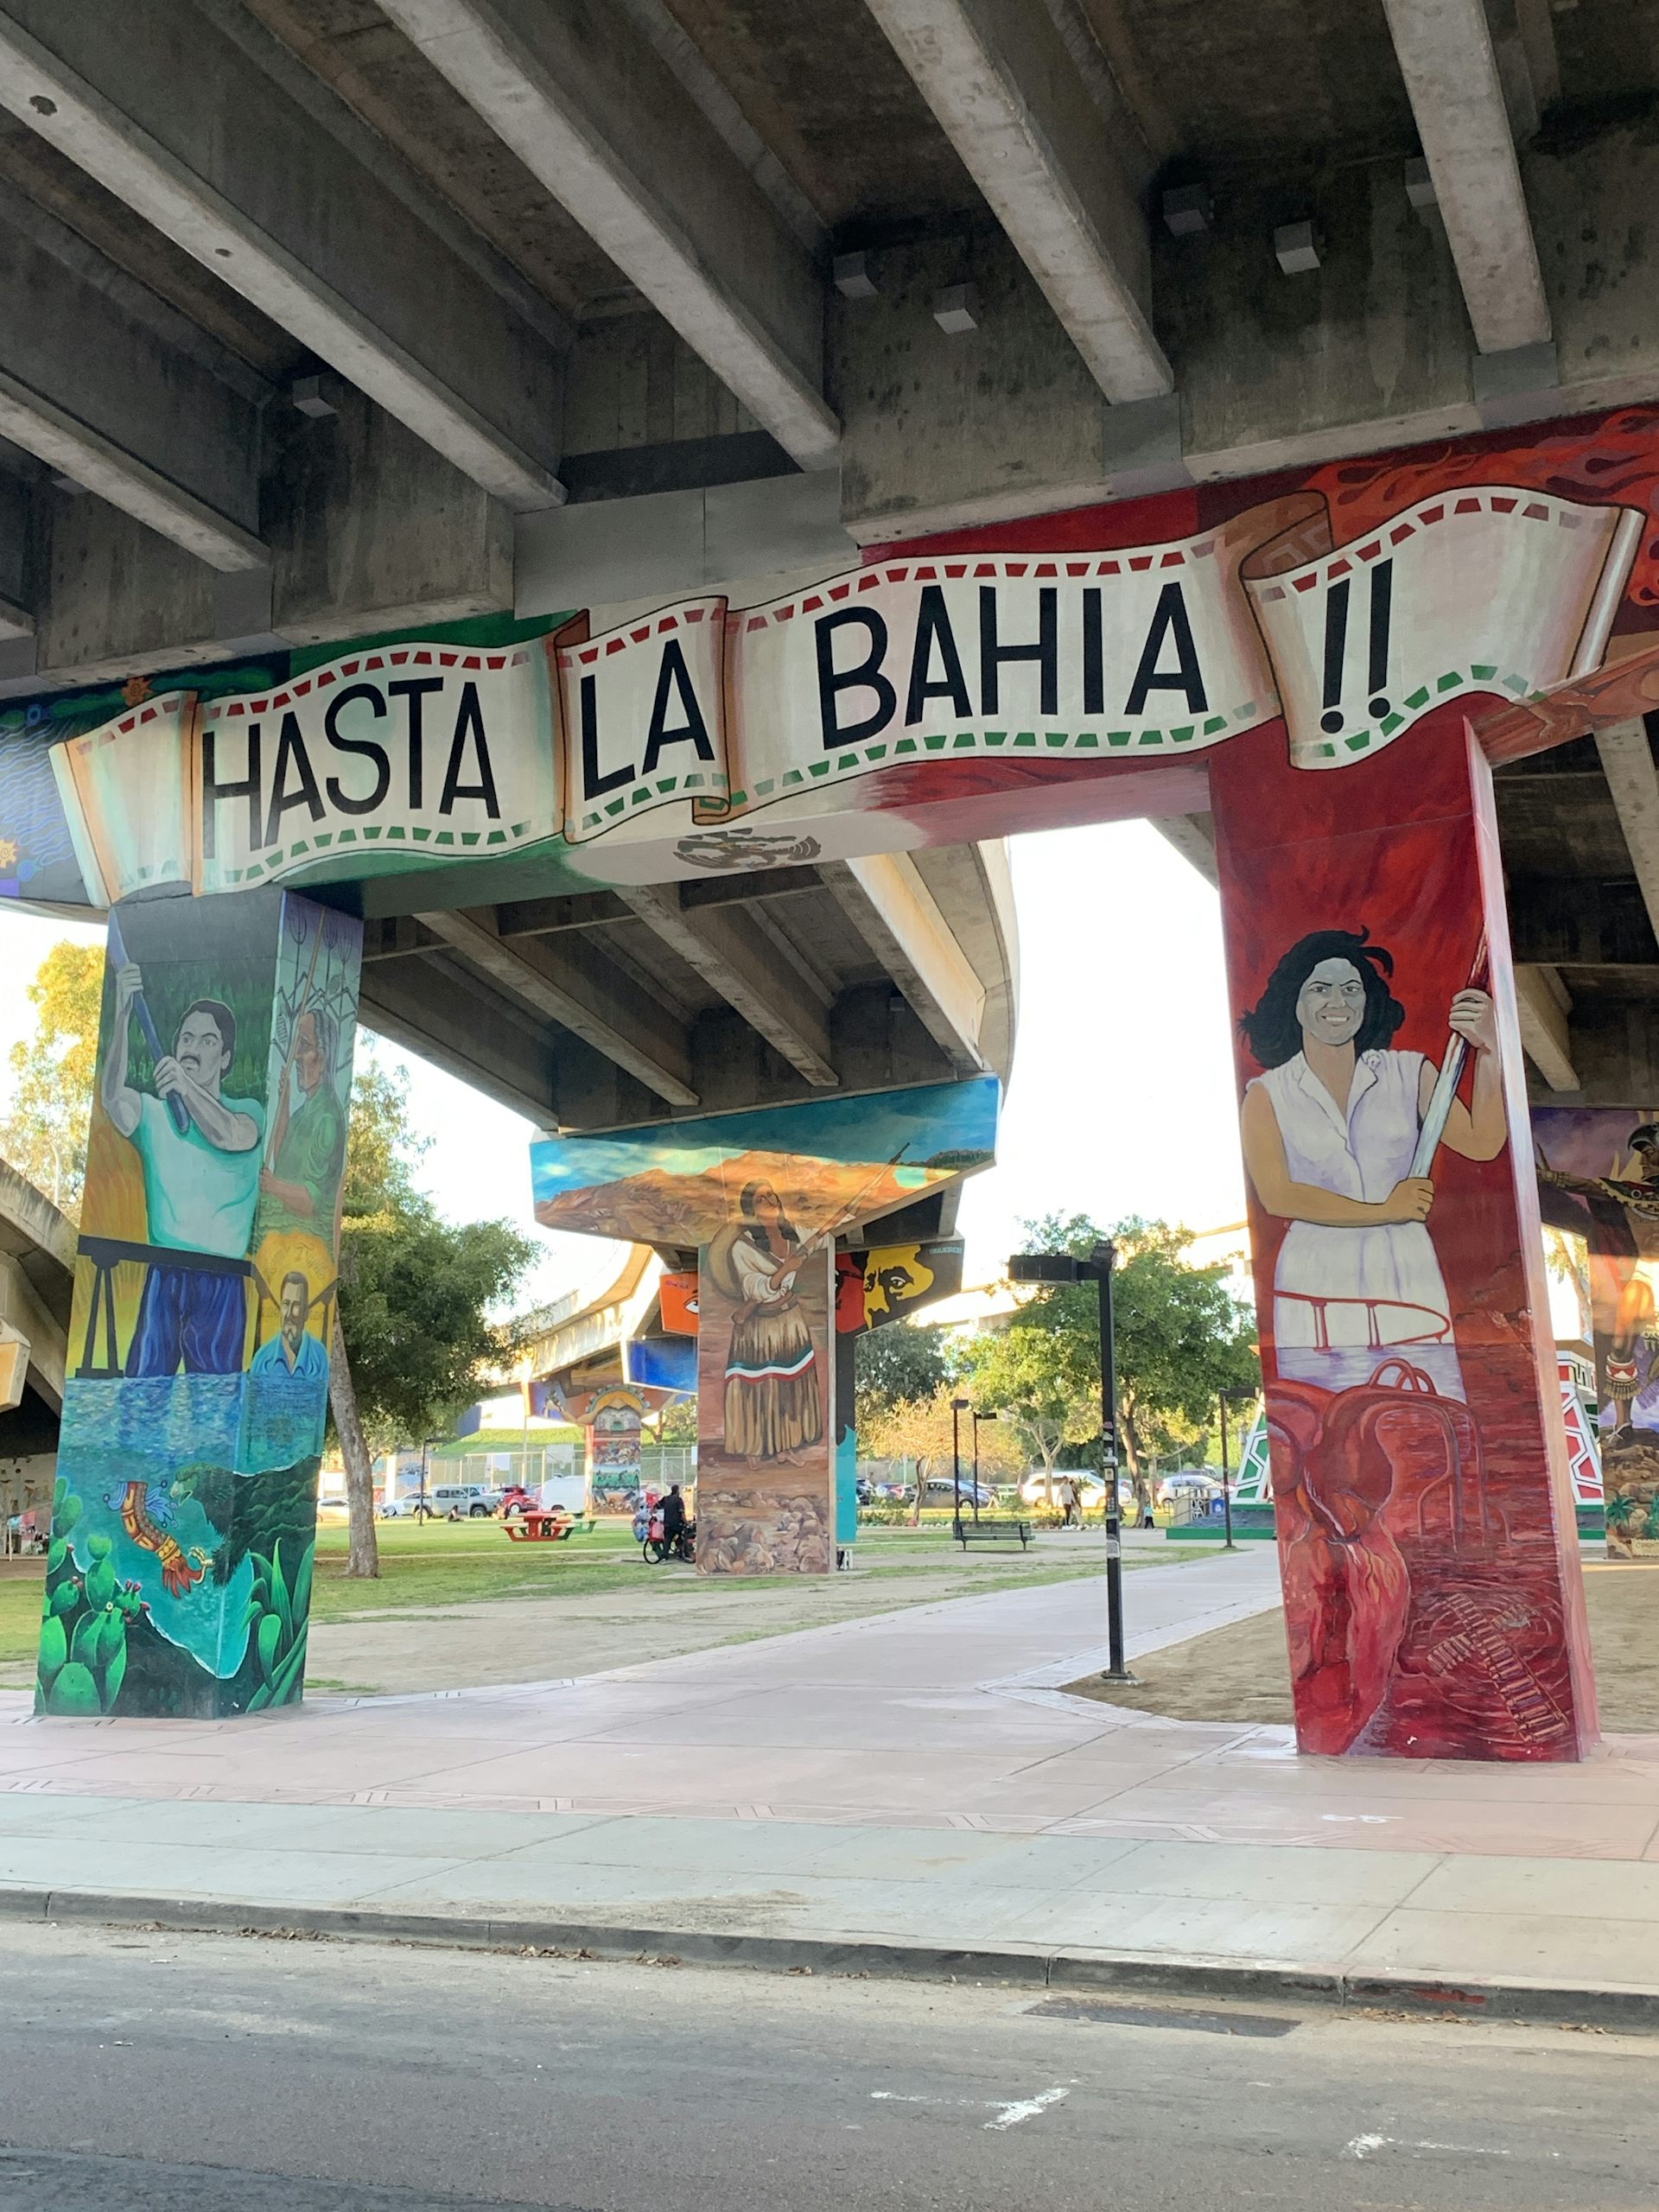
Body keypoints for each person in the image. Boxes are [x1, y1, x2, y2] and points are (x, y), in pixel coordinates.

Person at [1238, 929, 1503, 1401]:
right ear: (1294, 1003)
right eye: (1319, 988)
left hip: (1404, 1274)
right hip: (1316, 1284)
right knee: (1329, 1434)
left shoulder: (1409, 1072)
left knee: (1424, 1420)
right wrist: (1387, 1208)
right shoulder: (1266, 1095)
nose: (1337, 1001)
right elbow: (1278, 1195)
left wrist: (1490, 1051)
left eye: (1351, 987)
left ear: (1367, 1000)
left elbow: (1484, 1142)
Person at [103, 965, 264, 1376]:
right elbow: (112, 1100)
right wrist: (121, 1016)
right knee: (144, 1392)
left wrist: (185, 1088)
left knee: (213, 1403)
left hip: (221, 1283)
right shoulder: (154, 1113)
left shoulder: (247, 1113)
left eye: (208, 1041)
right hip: (163, 1274)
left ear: (225, 1057)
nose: (193, 1048)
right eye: (186, 1038)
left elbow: (228, 1136)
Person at [722, 1180, 823, 1464]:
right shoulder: (742, 1248)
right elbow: (756, 1288)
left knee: (789, 1383)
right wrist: (785, 1270)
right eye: (760, 1199)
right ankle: (755, 1448)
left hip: (790, 1320)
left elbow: (826, 1234)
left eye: (771, 1194)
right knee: (759, 1383)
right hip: (759, 1326)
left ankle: (784, 1447)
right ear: (750, 1211)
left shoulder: (796, 1236)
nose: (770, 1200)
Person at [257, 1007, 347, 1240]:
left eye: (304, 1046)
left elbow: (310, 1202)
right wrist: (284, 1101)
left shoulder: (327, 1118)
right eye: (296, 1045)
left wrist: (273, 1186)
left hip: (303, 1241)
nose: (296, 1055)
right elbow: (283, 1161)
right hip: (281, 1234)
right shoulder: (305, 1109)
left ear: (324, 1057)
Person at [249, 1269, 329, 1382]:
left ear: (306, 1313)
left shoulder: (319, 1356)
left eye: (296, 1305)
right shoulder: (262, 1359)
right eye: (286, 1304)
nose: (289, 1314)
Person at [660, 1482, 687, 1554]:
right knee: (683, 1536)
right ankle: (683, 1552)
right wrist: (687, 1523)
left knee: (667, 1540)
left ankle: (664, 1557)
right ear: (677, 1491)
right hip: (676, 1524)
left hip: (667, 1524)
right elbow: (682, 1514)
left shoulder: (666, 1499)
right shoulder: (679, 1500)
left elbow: (657, 1506)